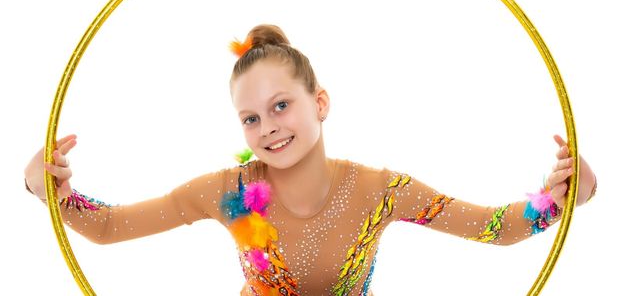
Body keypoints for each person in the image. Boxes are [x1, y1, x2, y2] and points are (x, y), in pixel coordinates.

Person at [24, 24, 598, 296]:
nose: (267, 127)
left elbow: (495, 229)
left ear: (318, 103)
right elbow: (105, 226)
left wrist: (565, 193)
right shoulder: (229, 190)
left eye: (281, 106)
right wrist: (45, 187)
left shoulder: (382, 190)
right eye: (250, 118)